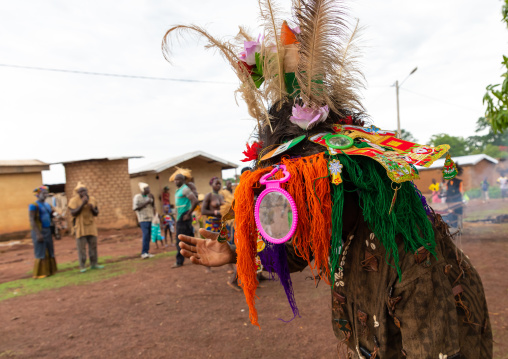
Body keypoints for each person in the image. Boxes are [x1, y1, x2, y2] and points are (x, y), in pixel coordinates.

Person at [165, 1, 492, 356]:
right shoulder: (331, 223)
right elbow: (295, 252)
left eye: (309, 196)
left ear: (347, 183)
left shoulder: (408, 249)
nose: (302, 217)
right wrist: (235, 254)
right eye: (290, 200)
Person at [68, 182, 104, 273]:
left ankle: (94, 264)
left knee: (93, 245)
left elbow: (96, 213)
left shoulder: (92, 199)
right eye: (80, 191)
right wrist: (82, 204)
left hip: (91, 225)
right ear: (77, 193)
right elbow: (73, 213)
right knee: (81, 248)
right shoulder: (73, 200)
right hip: (80, 226)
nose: (83, 193)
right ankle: (82, 265)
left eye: (84, 191)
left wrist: (92, 208)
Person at [28, 186, 57, 278]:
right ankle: (40, 273)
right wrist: (38, 234)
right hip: (39, 230)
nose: (45, 195)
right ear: (38, 195)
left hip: (47, 229)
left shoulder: (48, 205)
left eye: (46, 193)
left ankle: (51, 270)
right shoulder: (33, 205)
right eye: (43, 193)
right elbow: (32, 220)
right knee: (40, 251)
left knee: (50, 249)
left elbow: (50, 217)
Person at [172, 173, 199, 268]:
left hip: (184, 217)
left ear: (183, 180)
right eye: (175, 180)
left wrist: (188, 214)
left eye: (178, 179)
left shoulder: (185, 189)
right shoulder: (178, 190)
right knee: (190, 238)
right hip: (181, 217)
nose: (176, 181)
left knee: (179, 239)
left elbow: (195, 201)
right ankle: (196, 256)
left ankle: (179, 261)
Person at [133, 182, 155, 259]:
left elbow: (152, 206)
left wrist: (152, 199)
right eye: (147, 188)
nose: (149, 190)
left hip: (150, 218)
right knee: (145, 235)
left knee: (148, 236)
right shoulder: (137, 197)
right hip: (143, 219)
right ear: (143, 189)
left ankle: (146, 252)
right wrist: (146, 202)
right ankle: (143, 253)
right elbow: (135, 208)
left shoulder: (149, 197)